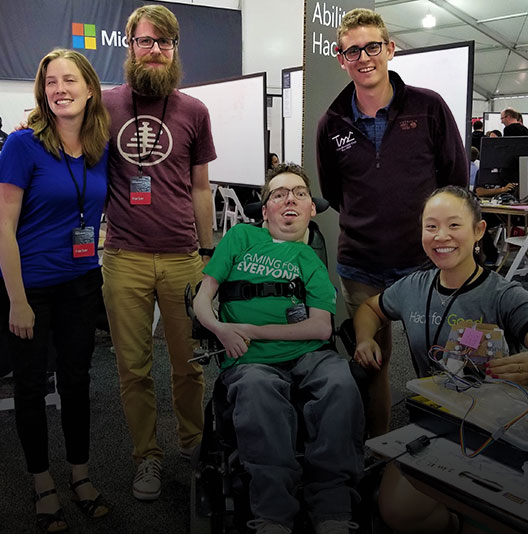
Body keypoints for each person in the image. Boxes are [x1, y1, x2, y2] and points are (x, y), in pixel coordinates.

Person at [316, 7, 468, 436]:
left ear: (390, 49)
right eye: (352, 51)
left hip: (426, 265)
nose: (364, 57)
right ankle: (376, 454)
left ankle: (446, 451)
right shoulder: (332, 122)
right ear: (340, 57)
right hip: (362, 265)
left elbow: (455, 183)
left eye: (372, 47)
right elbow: (334, 192)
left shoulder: (428, 107)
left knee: (443, 363)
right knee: (371, 365)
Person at [194, 163, 365, 534]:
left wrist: (250, 328)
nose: (290, 198)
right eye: (279, 193)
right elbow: (202, 298)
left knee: (340, 382)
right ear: (266, 208)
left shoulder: (311, 262)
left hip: (310, 355)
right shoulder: (239, 238)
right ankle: (273, 514)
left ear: (311, 209)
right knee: (258, 391)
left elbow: (321, 327)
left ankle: (332, 508)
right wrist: (219, 328)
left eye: (300, 193)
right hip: (249, 361)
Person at [354, 185, 528, 532]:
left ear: (478, 231)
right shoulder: (414, 287)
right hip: (433, 420)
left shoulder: (503, 295)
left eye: (453, 225)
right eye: (430, 226)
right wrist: (363, 338)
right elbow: (371, 308)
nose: (441, 236)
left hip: (495, 425)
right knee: (398, 511)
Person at [101, 4, 216, 501]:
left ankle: (193, 444)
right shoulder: (104, 105)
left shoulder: (193, 110)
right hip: (123, 256)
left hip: (181, 256)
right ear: (129, 47)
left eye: (163, 43)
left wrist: (209, 253)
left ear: (174, 51)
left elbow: (200, 188)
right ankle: (146, 455)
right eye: (145, 41)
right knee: (133, 366)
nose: (154, 50)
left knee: (188, 362)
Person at [0, 49, 110, 532]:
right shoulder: (23, 146)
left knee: (78, 379)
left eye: (69, 80)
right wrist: (17, 298)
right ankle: (42, 482)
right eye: (50, 83)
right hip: (32, 287)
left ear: (89, 89)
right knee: (29, 387)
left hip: (82, 283)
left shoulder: (98, 145)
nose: (59, 89)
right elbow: (3, 224)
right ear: (42, 93)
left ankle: (81, 477)